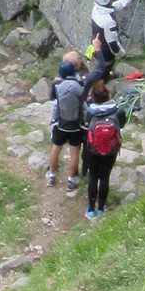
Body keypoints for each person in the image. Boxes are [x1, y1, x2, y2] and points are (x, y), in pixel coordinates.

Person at [86, 0, 145, 85]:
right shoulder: (108, 21)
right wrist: (122, 54)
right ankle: (101, 88)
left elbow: (117, 5)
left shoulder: (97, 8)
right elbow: (113, 44)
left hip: (96, 45)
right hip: (106, 54)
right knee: (102, 75)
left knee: (99, 70)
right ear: (109, 0)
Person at [82, 81, 124, 221]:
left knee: (93, 177)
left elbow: (85, 124)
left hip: (93, 149)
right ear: (107, 95)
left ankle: (91, 210)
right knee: (105, 177)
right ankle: (101, 209)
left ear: (94, 97)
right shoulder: (117, 111)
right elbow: (121, 123)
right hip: (111, 150)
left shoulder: (90, 112)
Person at [47, 54, 87, 192]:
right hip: (76, 126)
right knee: (74, 152)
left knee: (55, 148)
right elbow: (84, 105)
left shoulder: (57, 85)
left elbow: (54, 102)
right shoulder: (79, 86)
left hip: (60, 124)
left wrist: (53, 120)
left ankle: (52, 175)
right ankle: (71, 179)